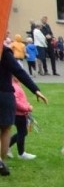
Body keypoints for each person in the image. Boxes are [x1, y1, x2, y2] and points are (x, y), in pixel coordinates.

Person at [0, 45, 47, 177]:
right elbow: (18, 71)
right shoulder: (3, 50)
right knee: (5, 129)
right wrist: (35, 90)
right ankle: (1, 161)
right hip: (3, 93)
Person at [8, 78, 36, 160]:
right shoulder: (14, 86)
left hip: (21, 114)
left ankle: (6, 146)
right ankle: (21, 153)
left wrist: (27, 104)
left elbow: (22, 99)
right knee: (22, 132)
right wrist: (27, 108)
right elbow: (16, 102)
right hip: (18, 114)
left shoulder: (17, 85)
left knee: (23, 132)